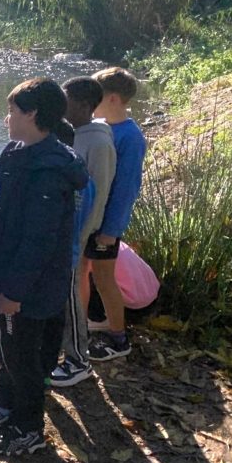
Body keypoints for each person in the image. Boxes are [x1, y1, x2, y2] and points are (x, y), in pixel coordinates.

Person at [0, 78, 88, 456]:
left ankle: (27, 428)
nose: (6, 118)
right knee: (6, 346)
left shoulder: (48, 169)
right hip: (9, 273)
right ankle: (4, 404)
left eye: (13, 111)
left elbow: (39, 239)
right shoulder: (18, 151)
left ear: (32, 114)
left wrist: (15, 291)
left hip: (29, 287)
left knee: (24, 357)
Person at [49, 77, 116, 387]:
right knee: (60, 293)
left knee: (72, 294)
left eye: (67, 101)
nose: (62, 107)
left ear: (85, 106)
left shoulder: (99, 142)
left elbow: (99, 192)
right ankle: (58, 352)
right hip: (62, 232)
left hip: (77, 234)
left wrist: (83, 235)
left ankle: (79, 360)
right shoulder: (71, 133)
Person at [86, 68, 147, 361]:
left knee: (104, 277)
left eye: (94, 98)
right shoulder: (99, 126)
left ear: (112, 98)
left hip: (107, 223)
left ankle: (119, 338)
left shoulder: (130, 137)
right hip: (90, 218)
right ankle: (84, 325)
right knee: (85, 274)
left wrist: (111, 229)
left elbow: (126, 188)